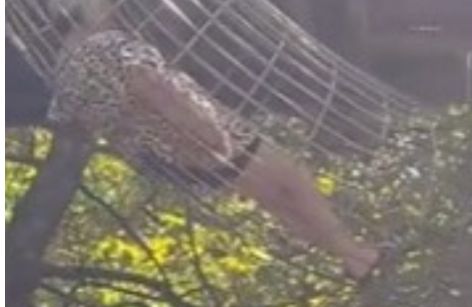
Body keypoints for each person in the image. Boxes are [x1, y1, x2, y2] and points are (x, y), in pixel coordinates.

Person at [45, 1, 380, 280]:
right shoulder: (108, 45)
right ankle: (356, 255)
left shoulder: (66, 67)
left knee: (276, 199)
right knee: (291, 179)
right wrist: (210, 132)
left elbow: (80, 122)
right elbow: (157, 90)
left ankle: (351, 257)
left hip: (168, 157)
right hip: (202, 138)